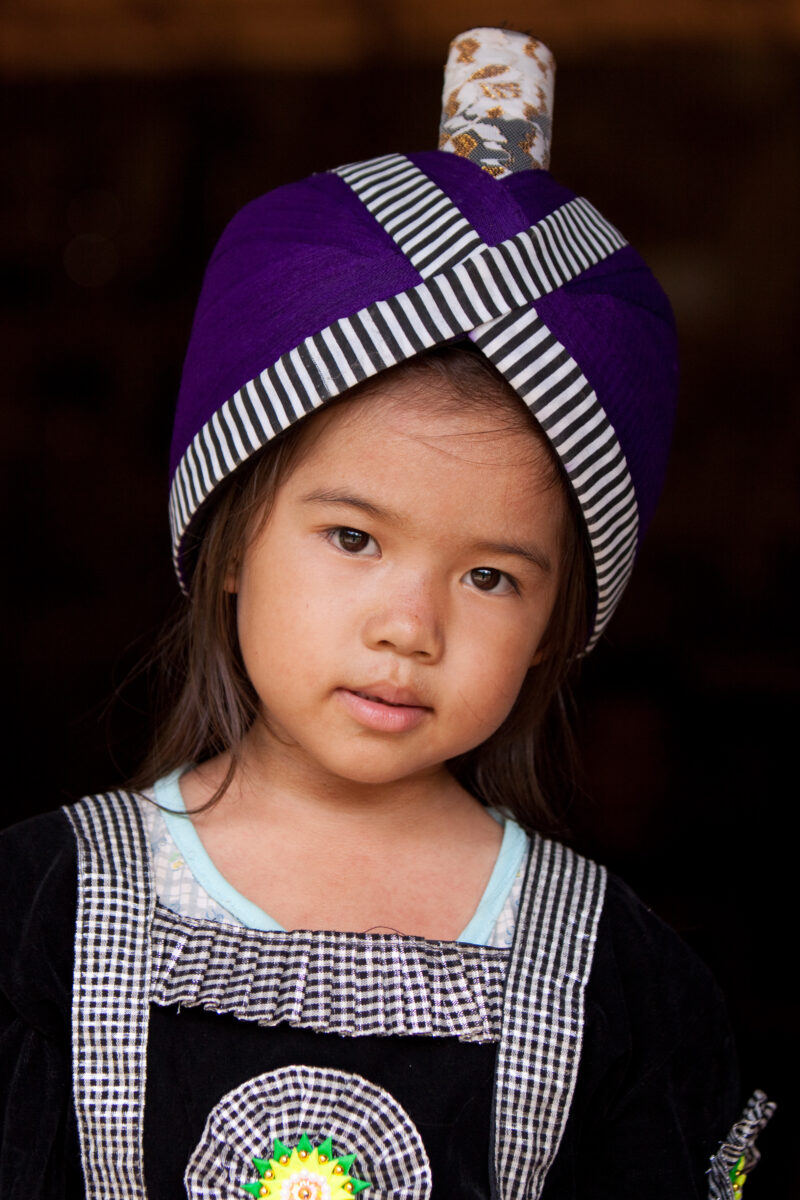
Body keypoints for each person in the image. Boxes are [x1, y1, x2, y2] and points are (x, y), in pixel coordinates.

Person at [0, 27, 773, 1200]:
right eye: (353, 538)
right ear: (229, 545)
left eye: (489, 577)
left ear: (561, 618)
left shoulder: (615, 978)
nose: (411, 627)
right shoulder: (36, 912)